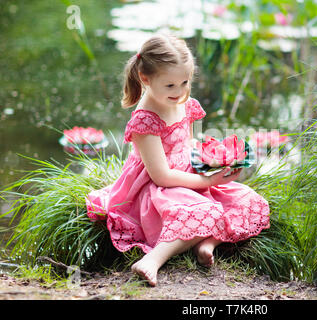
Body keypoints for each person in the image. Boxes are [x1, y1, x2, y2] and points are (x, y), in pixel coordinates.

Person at [85, 34, 270, 286]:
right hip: (159, 188)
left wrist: (213, 162)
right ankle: (153, 260)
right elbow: (161, 175)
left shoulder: (184, 102)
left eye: (185, 82)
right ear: (145, 79)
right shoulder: (145, 119)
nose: (180, 91)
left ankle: (207, 242)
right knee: (203, 210)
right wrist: (205, 181)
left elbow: (187, 144)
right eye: (170, 86)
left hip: (189, 174)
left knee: (248, 199)